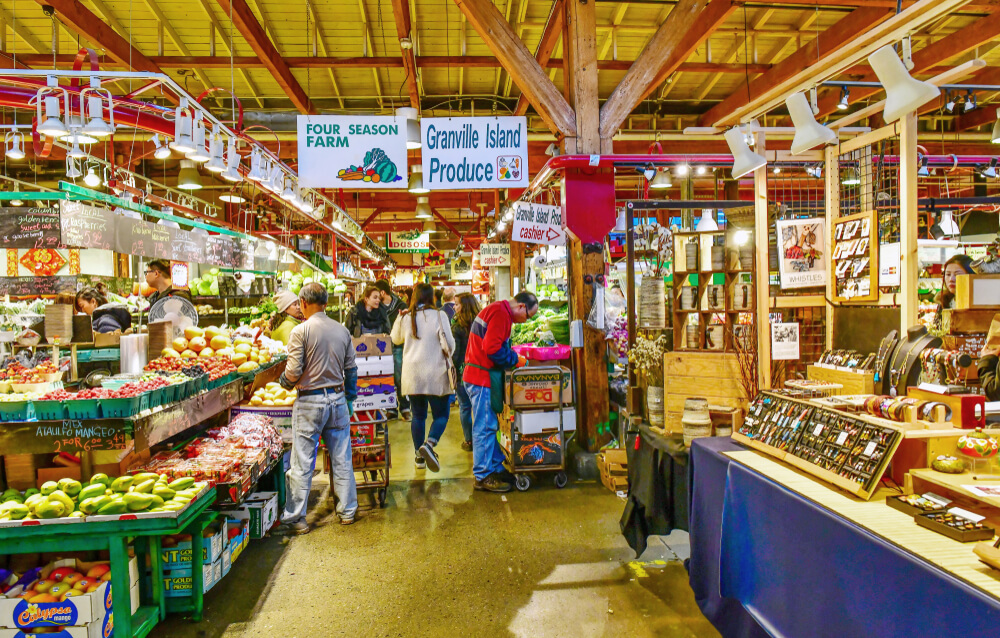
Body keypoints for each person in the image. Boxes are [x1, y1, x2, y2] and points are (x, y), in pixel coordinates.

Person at [276, 283, 359, 533]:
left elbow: (293, 371)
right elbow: (351, 369)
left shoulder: (300, 331)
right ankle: (347, 512)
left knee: (303, 462)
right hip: (337, 399)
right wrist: (349, 398)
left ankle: (297, 519)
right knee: (342, 458)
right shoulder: (342, 330)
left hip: (310, 402)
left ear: (303, 303)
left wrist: (284, 382)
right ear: (326, 303)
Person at [464, 292, 538, 493]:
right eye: (528, 316)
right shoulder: (500, 314)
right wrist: (515, 359)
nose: (526, 321)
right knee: (485, 427)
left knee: (489, 425)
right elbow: (492, 348)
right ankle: (483, 475)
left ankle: (495, 467)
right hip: (480, 377)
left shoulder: (499, 310)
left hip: (479, 376)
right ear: (521, 306)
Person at [390, 283, 455, 472]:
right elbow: (450, 345)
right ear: (433, 297)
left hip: (413, 375)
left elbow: (395, 339)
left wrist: (399, 317)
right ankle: (429, 444)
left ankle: (419, 457)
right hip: (436, 374)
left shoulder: (406, 317)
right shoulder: (440, 316)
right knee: (441, 415)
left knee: (418, 416)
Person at [376, 279, 410, 418]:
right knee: (386, 378)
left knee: (399, 377)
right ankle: (391, 408)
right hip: (381, 348)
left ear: (382, 293)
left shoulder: (400, 306)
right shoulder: (376, 307)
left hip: (398, 346)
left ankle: (405, 407)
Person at [451, 293, 480, 452]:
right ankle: (482, 440)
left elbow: (455, 354)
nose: (454, 307)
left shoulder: (457, 327)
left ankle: (469, 441)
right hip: (480, 371)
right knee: (480, 408)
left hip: (463, 373)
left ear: (465, 306)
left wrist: (452, 370)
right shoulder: (481, 324)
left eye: (457, 304)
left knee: (465, 407)